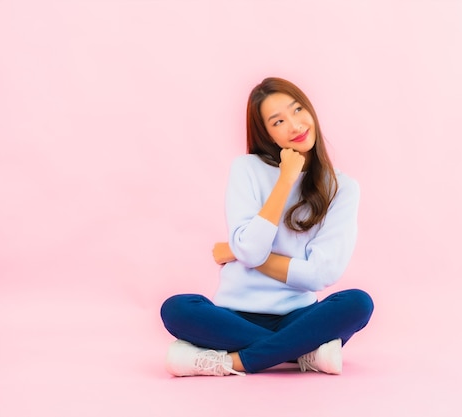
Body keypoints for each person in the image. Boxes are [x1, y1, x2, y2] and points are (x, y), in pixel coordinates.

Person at [160, 77, 374, 376]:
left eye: (298, 110)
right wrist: (285, 180)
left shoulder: (342, 188)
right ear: (266, 133)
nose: (295, 125)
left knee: (357, 303)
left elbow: (322, 274)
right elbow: (250, 249)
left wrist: (234, 252)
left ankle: (229, 362)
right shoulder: (246, 169)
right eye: (278, 121)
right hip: (234, 317)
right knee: (177, 308)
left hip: (300, 316)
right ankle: (302, 353)